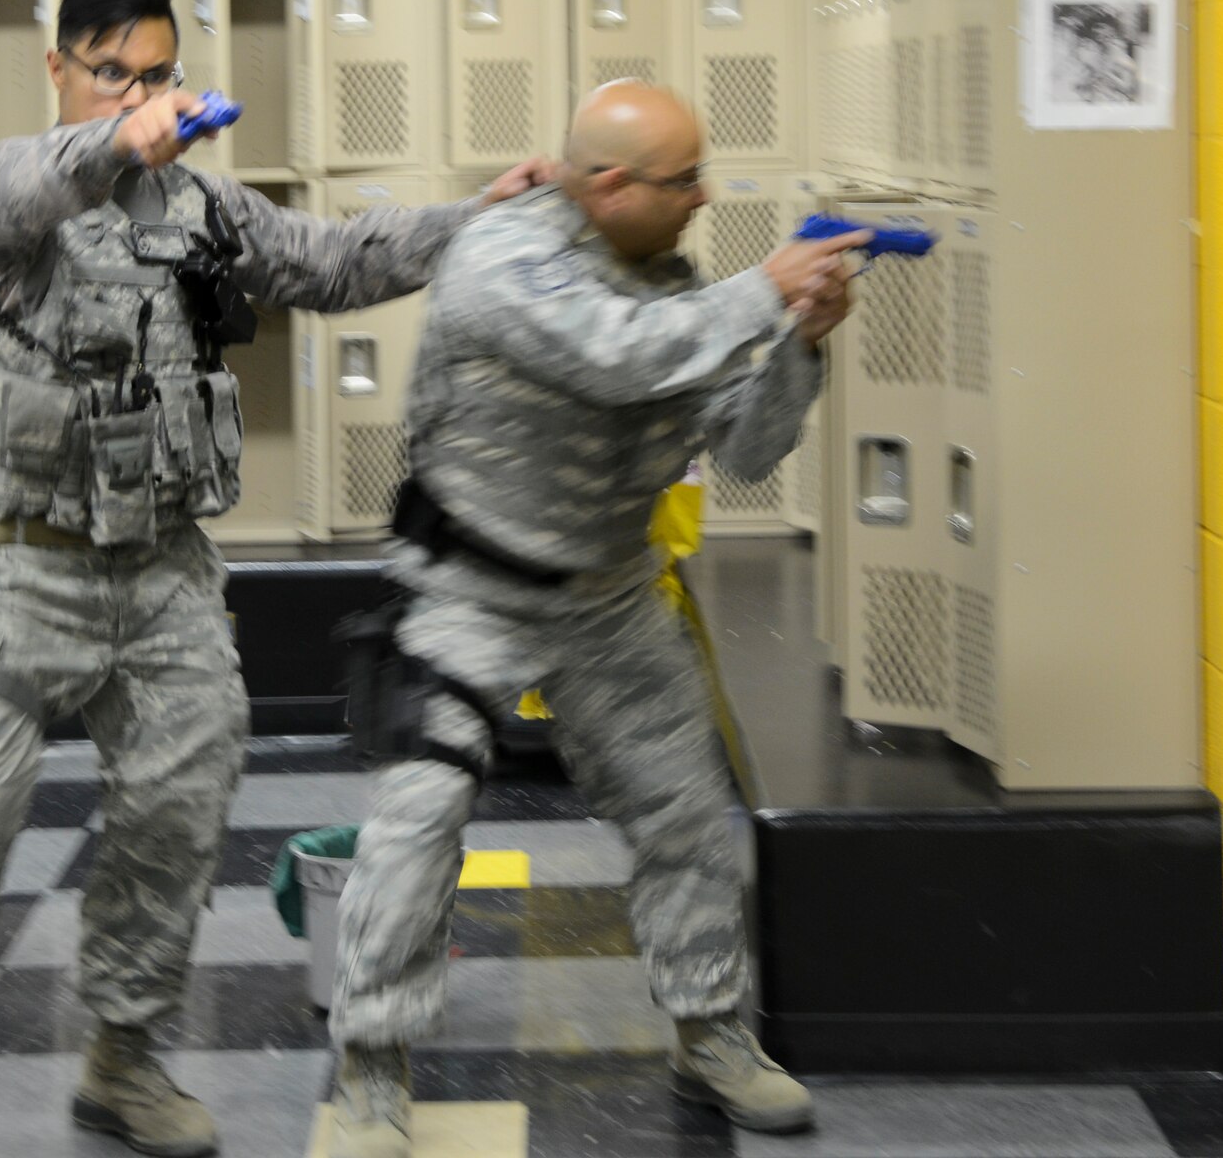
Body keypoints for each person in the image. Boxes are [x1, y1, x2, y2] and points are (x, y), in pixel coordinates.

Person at [0, 0, 550, 1158]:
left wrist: (481, 215)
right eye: (111, 73)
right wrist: (111, 144)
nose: (141, 97)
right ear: (59, 70)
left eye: (157, 74)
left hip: (160, 574)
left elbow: (336, 259)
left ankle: (123, 1059)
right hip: (13, 573)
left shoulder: (198, 209)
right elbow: (38, 182)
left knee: (182, 810)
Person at [324, 81, 866, 1158]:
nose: (703, 196)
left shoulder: (671, 281)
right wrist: (765, 291)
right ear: (609, 184)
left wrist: (800, 344)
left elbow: (745, 447)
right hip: (470, 589)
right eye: (681, 180)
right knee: (418, 821)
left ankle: (711, 1031)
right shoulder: (502, 260)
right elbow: (615, 353)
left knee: (681, 813)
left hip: (611, 596)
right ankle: (372, 1063)